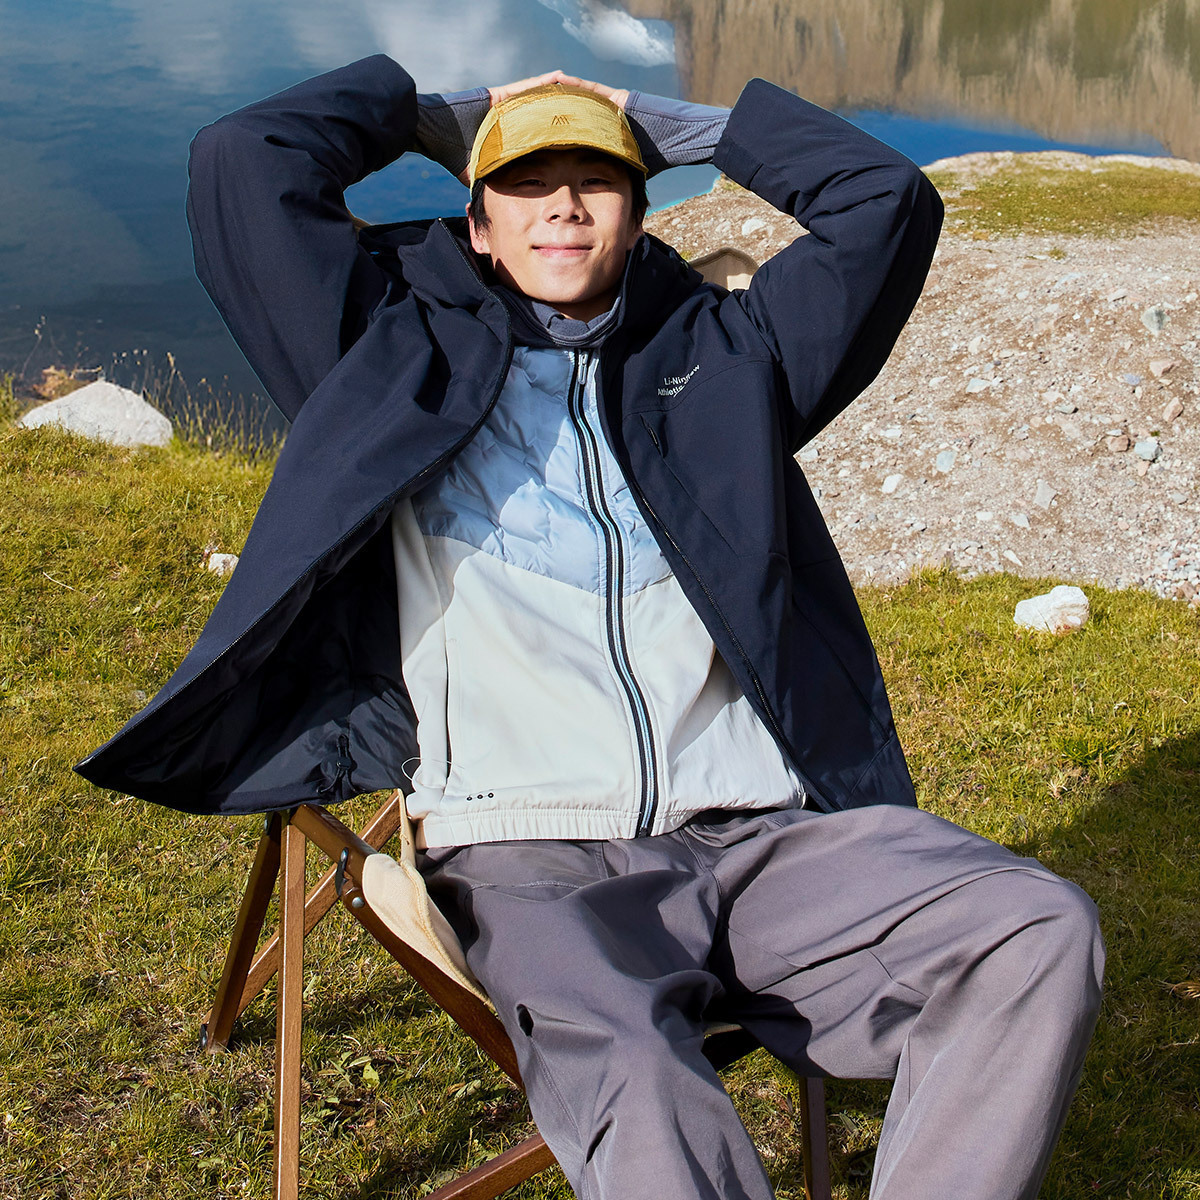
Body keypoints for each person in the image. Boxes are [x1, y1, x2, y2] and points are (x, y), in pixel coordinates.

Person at [75, 54, 1104, 1199]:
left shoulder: (732, 361)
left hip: (763, 836)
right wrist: (448, 120)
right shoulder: (383, 356)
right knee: (637, 1076)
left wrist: (671, 123)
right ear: (476, 226)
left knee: (1033, 926)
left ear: (640, 210)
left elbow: (886, 201)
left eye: (596, 180)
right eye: (525, 182)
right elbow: (243, 162)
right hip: (532, 855)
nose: (562, 203)